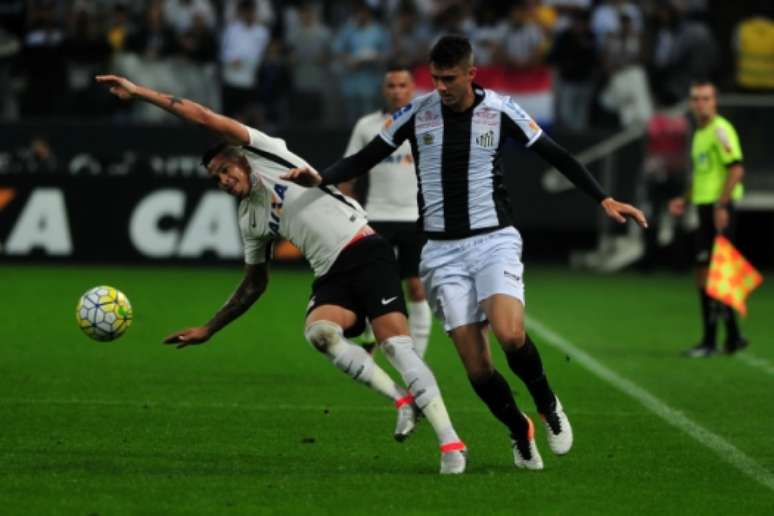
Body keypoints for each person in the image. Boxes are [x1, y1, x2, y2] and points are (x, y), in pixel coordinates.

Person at [282, 35, 647, 470]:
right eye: (435, 78)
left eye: (449, 78)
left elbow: (557, 154)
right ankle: (518, 429)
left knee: (511, 334)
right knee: (477, 369)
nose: (440, 87)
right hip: (440, 252)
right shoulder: (416, 114)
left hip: (493, 239)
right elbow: (363, 158)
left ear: (471, 74)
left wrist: (602, 198)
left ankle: (548, 405)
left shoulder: (501, 109)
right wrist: (318, 177)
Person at [94, 74, 467, 474]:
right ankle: (401, 399)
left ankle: (451, 445)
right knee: (319, 333)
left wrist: (140, 93)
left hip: (364, 247)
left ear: (239, 156)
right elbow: (255, 282)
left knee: (397, 348)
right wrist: (210, 328)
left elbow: (200, 115)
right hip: (331, 274)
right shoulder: (250, 217)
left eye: (224, 169)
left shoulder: (266, 152)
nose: (223, 180)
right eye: (216, 179)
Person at [340, 63, 432, 359]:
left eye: (402, 85)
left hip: (415, 218)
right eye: (391, 86)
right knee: (371, 284)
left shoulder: (427, 123)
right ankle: (369, 333)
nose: (396, 91)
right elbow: (349, 172)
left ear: (412, 89)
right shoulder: (367, 126)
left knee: (416, 289)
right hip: (376, 215)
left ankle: (417, 359)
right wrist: (349, 211)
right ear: (384, 90)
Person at [669, 81, 748, 357]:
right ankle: (733, 336)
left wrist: (722, 205)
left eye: (705, 98)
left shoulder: (720, 130)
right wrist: (685, 198)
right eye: (696, 99)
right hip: (705, 208)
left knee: (712, 274)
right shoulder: (701, 133)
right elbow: (704, 175)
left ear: (714, 102)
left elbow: (736, 169)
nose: (700, 103)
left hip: (718, 209)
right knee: (711, 274)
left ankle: (711, 341)